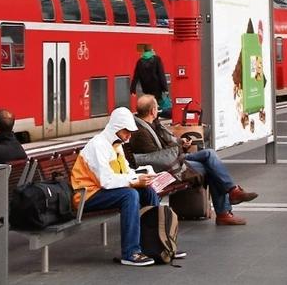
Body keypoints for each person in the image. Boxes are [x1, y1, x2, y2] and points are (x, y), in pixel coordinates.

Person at [71, 107, 186, 266]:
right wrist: (133, 181)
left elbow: (125, 171)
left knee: (147, 190)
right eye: (127, 132)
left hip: (101, 191)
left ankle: (159, 243)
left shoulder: (116, 145)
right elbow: (106, 181)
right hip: (87, 195)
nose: (129, 137)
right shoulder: (98, 146)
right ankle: (130, 252)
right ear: (116, 129)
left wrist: (142, 177)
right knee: (130, 195)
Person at [127, 95, 257, 226]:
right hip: (168, 167)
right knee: (210, 166)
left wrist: (179, 142)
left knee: (209, 155)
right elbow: (156, 158)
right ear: (153, 110)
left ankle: (231, 195)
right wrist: (177, 149)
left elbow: (164, 148)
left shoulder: (152, 124)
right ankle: (226, 208)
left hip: (174, 159)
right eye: (157, 108)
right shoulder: (140, 133)